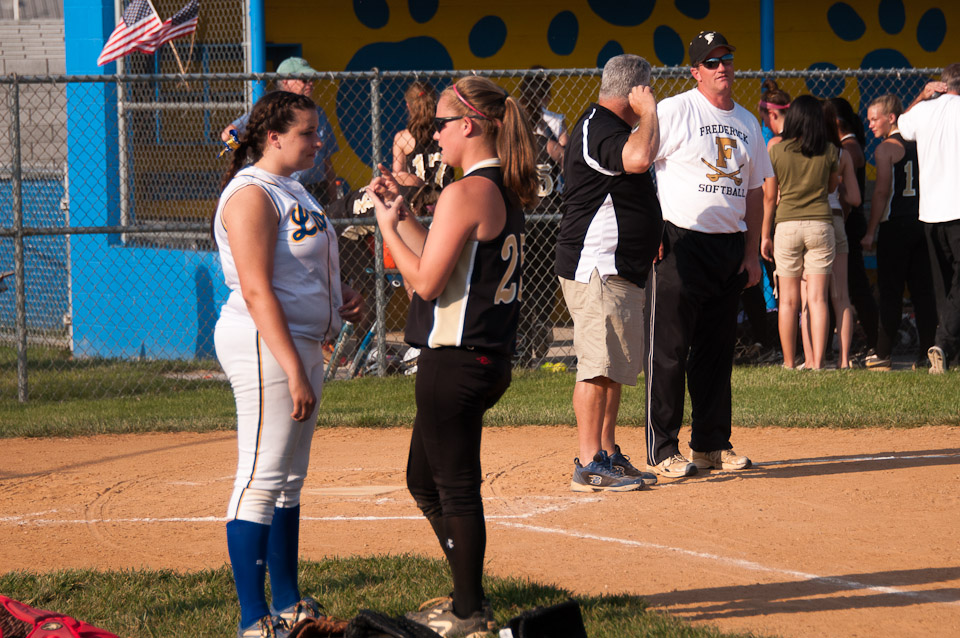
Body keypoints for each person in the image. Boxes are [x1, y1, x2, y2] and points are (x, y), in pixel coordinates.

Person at [365, 76, 539, 636]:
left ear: (468, 125)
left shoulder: (466, 191)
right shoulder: (496, 186)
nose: (434, 134)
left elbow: (425, 282)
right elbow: (445, 255)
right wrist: (404, 217)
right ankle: (469, 593)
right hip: (481, 358)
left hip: (457, 361)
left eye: (441, 124)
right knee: (423, 480)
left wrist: (386, 229)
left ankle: (469, 612)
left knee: (455, 489)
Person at [213, 90, 363, 638]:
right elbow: (256, 290)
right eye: (307, 133)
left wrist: (340, 297)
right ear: (273, 137)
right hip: (264, 342)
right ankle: (254, 620)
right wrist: (294, 369)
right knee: (260, 477)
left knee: (288, 480)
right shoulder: (250, 193)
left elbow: (299, 267)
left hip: (298, 341)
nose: (318, 141)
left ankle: (289, 603)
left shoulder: (292, 188)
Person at [645, 31, 772, 477]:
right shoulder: (675, 110)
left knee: (717, 351)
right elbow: (639, 165)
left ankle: (711, 443)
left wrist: (752, 253)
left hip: (729, 245)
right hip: (681, 243)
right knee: (670, 349)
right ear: (695, 71)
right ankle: (663, 448)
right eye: (712, 62)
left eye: (727, 59)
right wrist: (651, 228)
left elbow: (754, 190)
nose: (722, 67)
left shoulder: (748, 122)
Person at [555, 54, 662, 492]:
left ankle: (607, 452)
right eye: (648, 89)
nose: (652, 96)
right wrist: (649, 112)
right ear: (634, 91)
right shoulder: (596, 126)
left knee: (614, 368)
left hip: (622, 269)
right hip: (597, 265)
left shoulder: (613, 128)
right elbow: (638, 158)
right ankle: (588, 463)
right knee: (597, 367)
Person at [762, 96, 846, 370]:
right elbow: (832, 187)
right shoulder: (830, 150)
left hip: (786, 225)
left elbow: (770, 196)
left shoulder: (777, 150)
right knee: (818, 298)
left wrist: (765, 235)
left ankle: (789, 362)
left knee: (788, 300)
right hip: (821, 224)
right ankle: (818, 363)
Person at [863, 93, 938, 370]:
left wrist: (871, 230)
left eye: (874, 119)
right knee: (923, 292)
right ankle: (927, 353)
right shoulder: (921, 144)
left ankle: (883, 353)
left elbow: (882, 192)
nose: (870, 124)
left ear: (891, 118)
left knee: (891, 292)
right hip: (923, 221)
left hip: (895, 226)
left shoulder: (886, 149)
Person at [898, 63, 960, 373]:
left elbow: (902, 124)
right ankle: (944, 343)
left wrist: (922, 96)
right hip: (957, 209)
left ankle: (949, 354)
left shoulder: (924, 110)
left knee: (943, 284)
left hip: (930, 212)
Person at [221, 57, 340, 206]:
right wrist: (250, 147)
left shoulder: (317, 113)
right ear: (286, 81)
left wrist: (334, 200)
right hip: (284, 185)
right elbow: (227, 134)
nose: (310, 83)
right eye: (304, 79)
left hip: (316, 189)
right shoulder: (272, 111)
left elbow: (327, 161)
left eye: (312, 80)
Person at [517, 67, 565, 364]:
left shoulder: (519, 121)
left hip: (528, 209)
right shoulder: (552, 124)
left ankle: (529, 330)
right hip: (547, 207)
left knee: (527, 274)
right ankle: (540, 323)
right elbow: (565, 155)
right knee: (544, 274)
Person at [828, 97, 879, 360]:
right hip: (848, 223)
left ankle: (876, 341)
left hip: (849, 223)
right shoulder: (849, 146)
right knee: (842, 287)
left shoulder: (848, 148)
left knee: (854, 286)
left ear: (836, 122)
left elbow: (847, 194)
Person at [819, 99, 861, 369]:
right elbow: (855, 199)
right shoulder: (840, 153)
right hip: (836, 220)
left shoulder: (803, 150)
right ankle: (844, 360)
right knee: (841, 296)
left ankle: (815, 358)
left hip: (810, 218)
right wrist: (840, 187)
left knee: (815, 298)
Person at [392, 80, 453, 192]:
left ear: (408, 106)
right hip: (447, 195)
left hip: (418, 198)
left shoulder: (403, 138)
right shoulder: (445, 130)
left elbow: (398, 176)